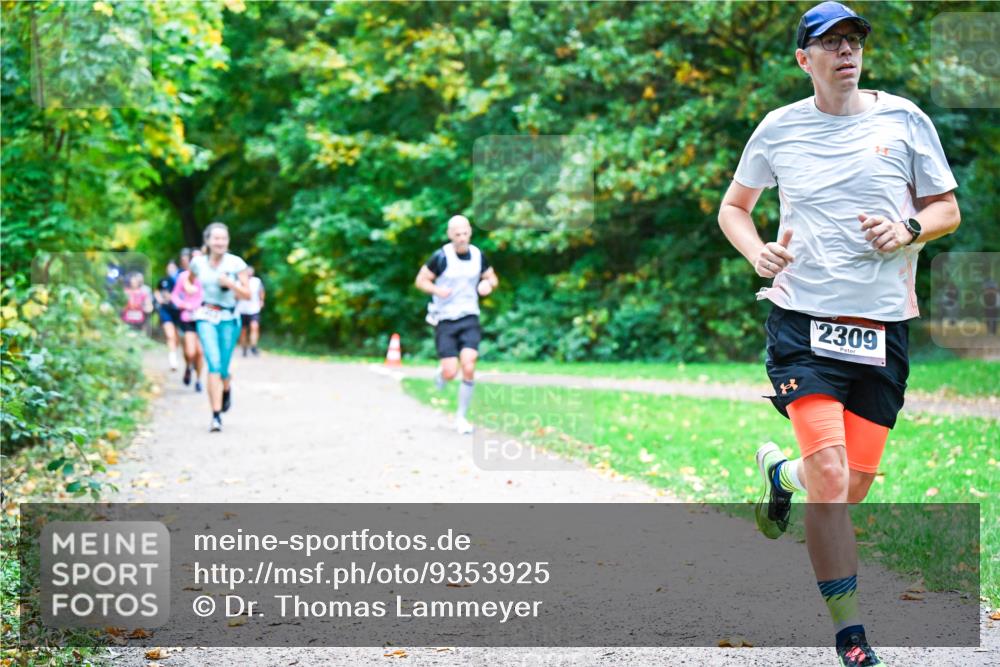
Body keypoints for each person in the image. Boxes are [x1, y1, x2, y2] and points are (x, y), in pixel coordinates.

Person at [717, 3, 960, 665]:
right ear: (805, 60)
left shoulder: (904, 119)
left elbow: (946, 207)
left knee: (847, 486)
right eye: (831, 44)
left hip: (882, 325)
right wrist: (755, 251)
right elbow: (733, 208)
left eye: (853, 41)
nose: (846, 52)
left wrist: (910, 228)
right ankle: (850, 633)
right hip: (802, 321)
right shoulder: (779, 129)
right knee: (831, 475)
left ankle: (779, 473)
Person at [414, 214, 499, 435]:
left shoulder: (478, 255)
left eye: (465, 233)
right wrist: (436, 290)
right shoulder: (440, 257)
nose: (461, 238)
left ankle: (461, 417)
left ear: (470, 232)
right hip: (445, 319)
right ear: (450, 235)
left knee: (469, 365)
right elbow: (421, 280)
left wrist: (487, 285)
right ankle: (443, 374)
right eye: (457, 234)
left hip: (469, 316)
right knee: (451, 371)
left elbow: (492, 278)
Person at [183, 223, 250, 432]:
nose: (220, 242)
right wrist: (190, 289)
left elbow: (247, 295)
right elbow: (189, 280)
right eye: (216, 238)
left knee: (223, 367)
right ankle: (216, 415)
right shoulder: (198, 263)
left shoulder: (236, 263)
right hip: (206, 316)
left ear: (228, 241)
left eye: (223, 238)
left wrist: (231, 284)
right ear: (208, 241)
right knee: (213, 363)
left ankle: (226, 388)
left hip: (229, 318)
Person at [172, 249, 205, 393]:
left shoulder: (207, 278)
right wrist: (183, 305)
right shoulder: (183, 277)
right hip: (187, 318)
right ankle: (188, 367)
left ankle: (198, 380)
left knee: (200, 352)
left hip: (204, 318)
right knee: (190, 352)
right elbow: (175, 296)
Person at [154, 260, 181, 370]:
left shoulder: (181, 280)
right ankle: (172, 359)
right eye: (169, 268)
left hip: (178, 311)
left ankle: (175, 352)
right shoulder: (163, 280)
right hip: (166, 310)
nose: (170, 270)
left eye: (172, 268)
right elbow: (156, 290)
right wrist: (159, 298)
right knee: (170, 335)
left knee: (177, 337)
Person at [236, 265, 265, 357]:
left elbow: (261, 291)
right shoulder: (238, 282)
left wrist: (261, 301)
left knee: (254, 326)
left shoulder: (257, 281)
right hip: (241, 310)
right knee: (243, 330)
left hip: (254, 309)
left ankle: (253, 346)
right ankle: (244, 347)